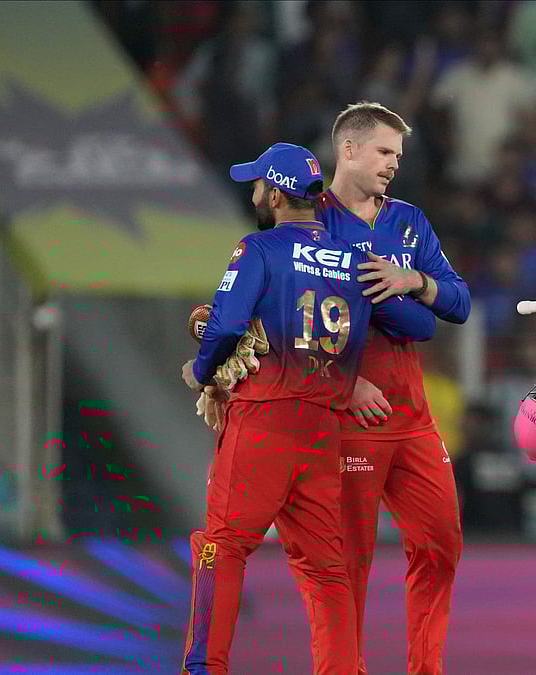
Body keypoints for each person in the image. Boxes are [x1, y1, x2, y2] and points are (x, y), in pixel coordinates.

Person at [180, 142, 436, 674]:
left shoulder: (258, 249)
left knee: (221, 547)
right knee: (326, 571)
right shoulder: (354, 261)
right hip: (322, 431)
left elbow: (226, 327)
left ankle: (203, 668)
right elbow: (418, 325)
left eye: (257, 185)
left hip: (263, 421)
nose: (254, 193)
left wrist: (202, 372)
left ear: (275, 194)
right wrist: (409, 283)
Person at [291, 101, 471, 675]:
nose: (394, 163)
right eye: (384, 151)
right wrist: (344, 383)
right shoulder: (309, 220)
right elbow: (285, 321)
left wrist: (412, 279)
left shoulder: (410, 221)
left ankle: (426, 668)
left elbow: (459, 302)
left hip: (412, 417)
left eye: (398, 154)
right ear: (348, 149)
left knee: (441, 545)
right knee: (348, 561)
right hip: (350, 417)